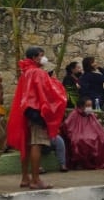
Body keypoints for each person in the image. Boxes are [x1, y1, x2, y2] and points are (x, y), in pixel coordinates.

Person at [7, 46, 67, 190]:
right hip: (36, 112)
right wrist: (54, 81)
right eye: (41, 55)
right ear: (34, 58)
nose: (43, 58)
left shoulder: (26, 72)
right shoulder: (38, 72)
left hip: (26, 112)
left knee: (26, 145)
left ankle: (25, 178)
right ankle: (36, 179)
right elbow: (46, 91)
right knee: (36, 144)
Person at [61, 98, 104, 170]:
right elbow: (67, 126)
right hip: (78, 135)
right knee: (79, 141)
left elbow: (98, 128)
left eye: (90, 106)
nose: (89, 108)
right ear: (81, 106)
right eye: (87, 106)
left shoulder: (91, 115)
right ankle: (80, 163)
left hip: (93, 134)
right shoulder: (74, 114)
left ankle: (98, 162)